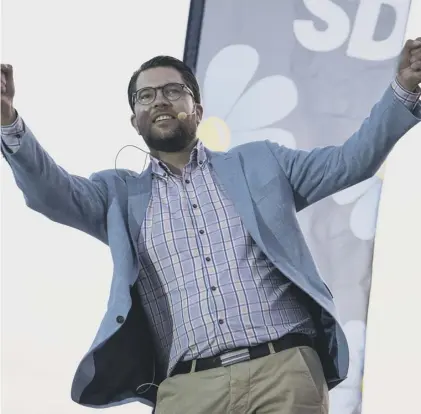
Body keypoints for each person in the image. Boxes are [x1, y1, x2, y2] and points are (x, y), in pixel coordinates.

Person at [1, 38, 420, 414]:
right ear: (135, 121)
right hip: (189, 389)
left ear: (197, 109)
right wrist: (8, 121)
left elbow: (352, 161)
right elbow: (49, 192)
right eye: (145, 96)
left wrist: (402, 90)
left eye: (171, 91)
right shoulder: (117, 196)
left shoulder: (261, 163)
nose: (159, 100)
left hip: (284, 373)